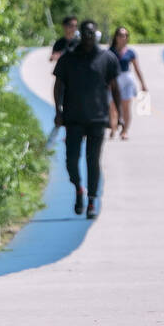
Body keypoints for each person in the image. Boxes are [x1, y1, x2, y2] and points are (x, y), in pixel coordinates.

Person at [53, 19, 122, 219]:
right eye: (85, 34)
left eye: (92, 34)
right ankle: (78, 188)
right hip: (73, 118)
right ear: (80, 35)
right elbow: (58, 85)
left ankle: (92, 200)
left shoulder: (107, 58)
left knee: (93, 160)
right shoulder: (68, 58)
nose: (88, 37)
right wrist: (58, 111)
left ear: (96, 35)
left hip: (98, 118)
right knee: (71, 161)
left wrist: (118, 117)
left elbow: (115, 89)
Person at [106, 26, 148, 140]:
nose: (123, 38)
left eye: (125, 35)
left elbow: (137, 68)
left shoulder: (130, 52)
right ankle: (113, 127)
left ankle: (125, 131)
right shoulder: (110, 51)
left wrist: (142, 83)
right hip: (113, 79)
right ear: (116, 37)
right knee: (113, 106)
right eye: (120, 35)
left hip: (127, 79)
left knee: (126, 107)